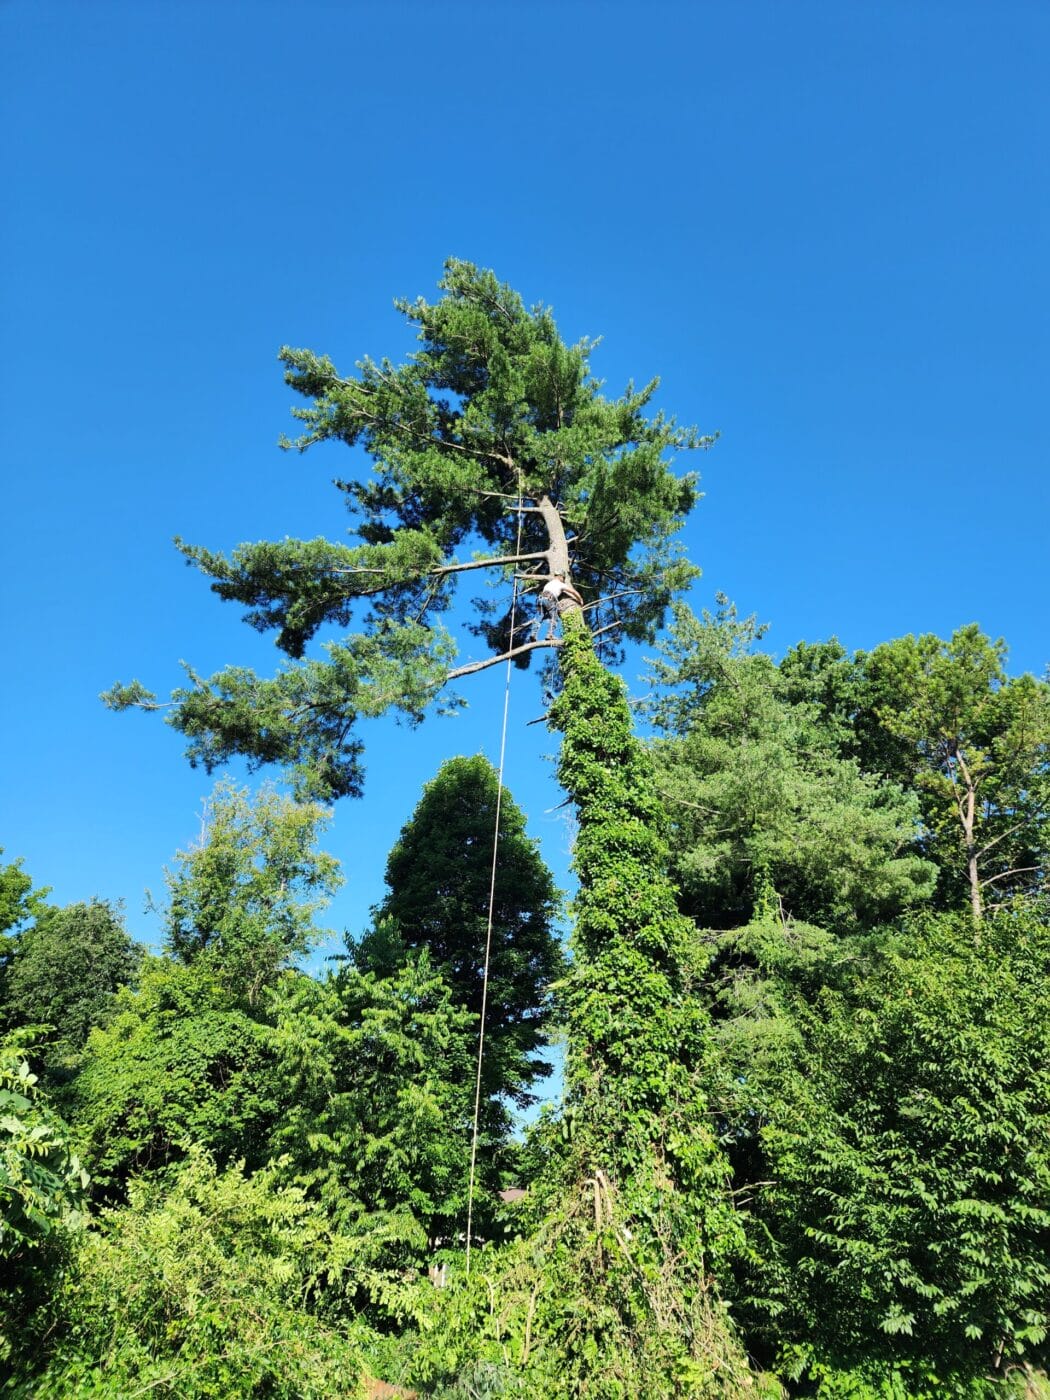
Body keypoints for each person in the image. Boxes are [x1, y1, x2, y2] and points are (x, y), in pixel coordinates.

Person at [537, 570, 584, 639]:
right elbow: (573, 592)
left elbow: (564, 592)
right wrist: (580, 599)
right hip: (550, 599)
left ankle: (533, 633)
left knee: (539, 617)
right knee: (554, 617)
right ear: (560, 576)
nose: (563, 580)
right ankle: (549, 635)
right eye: (563, 578)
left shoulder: (549, 584)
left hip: (540, 599)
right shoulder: (560, 584)